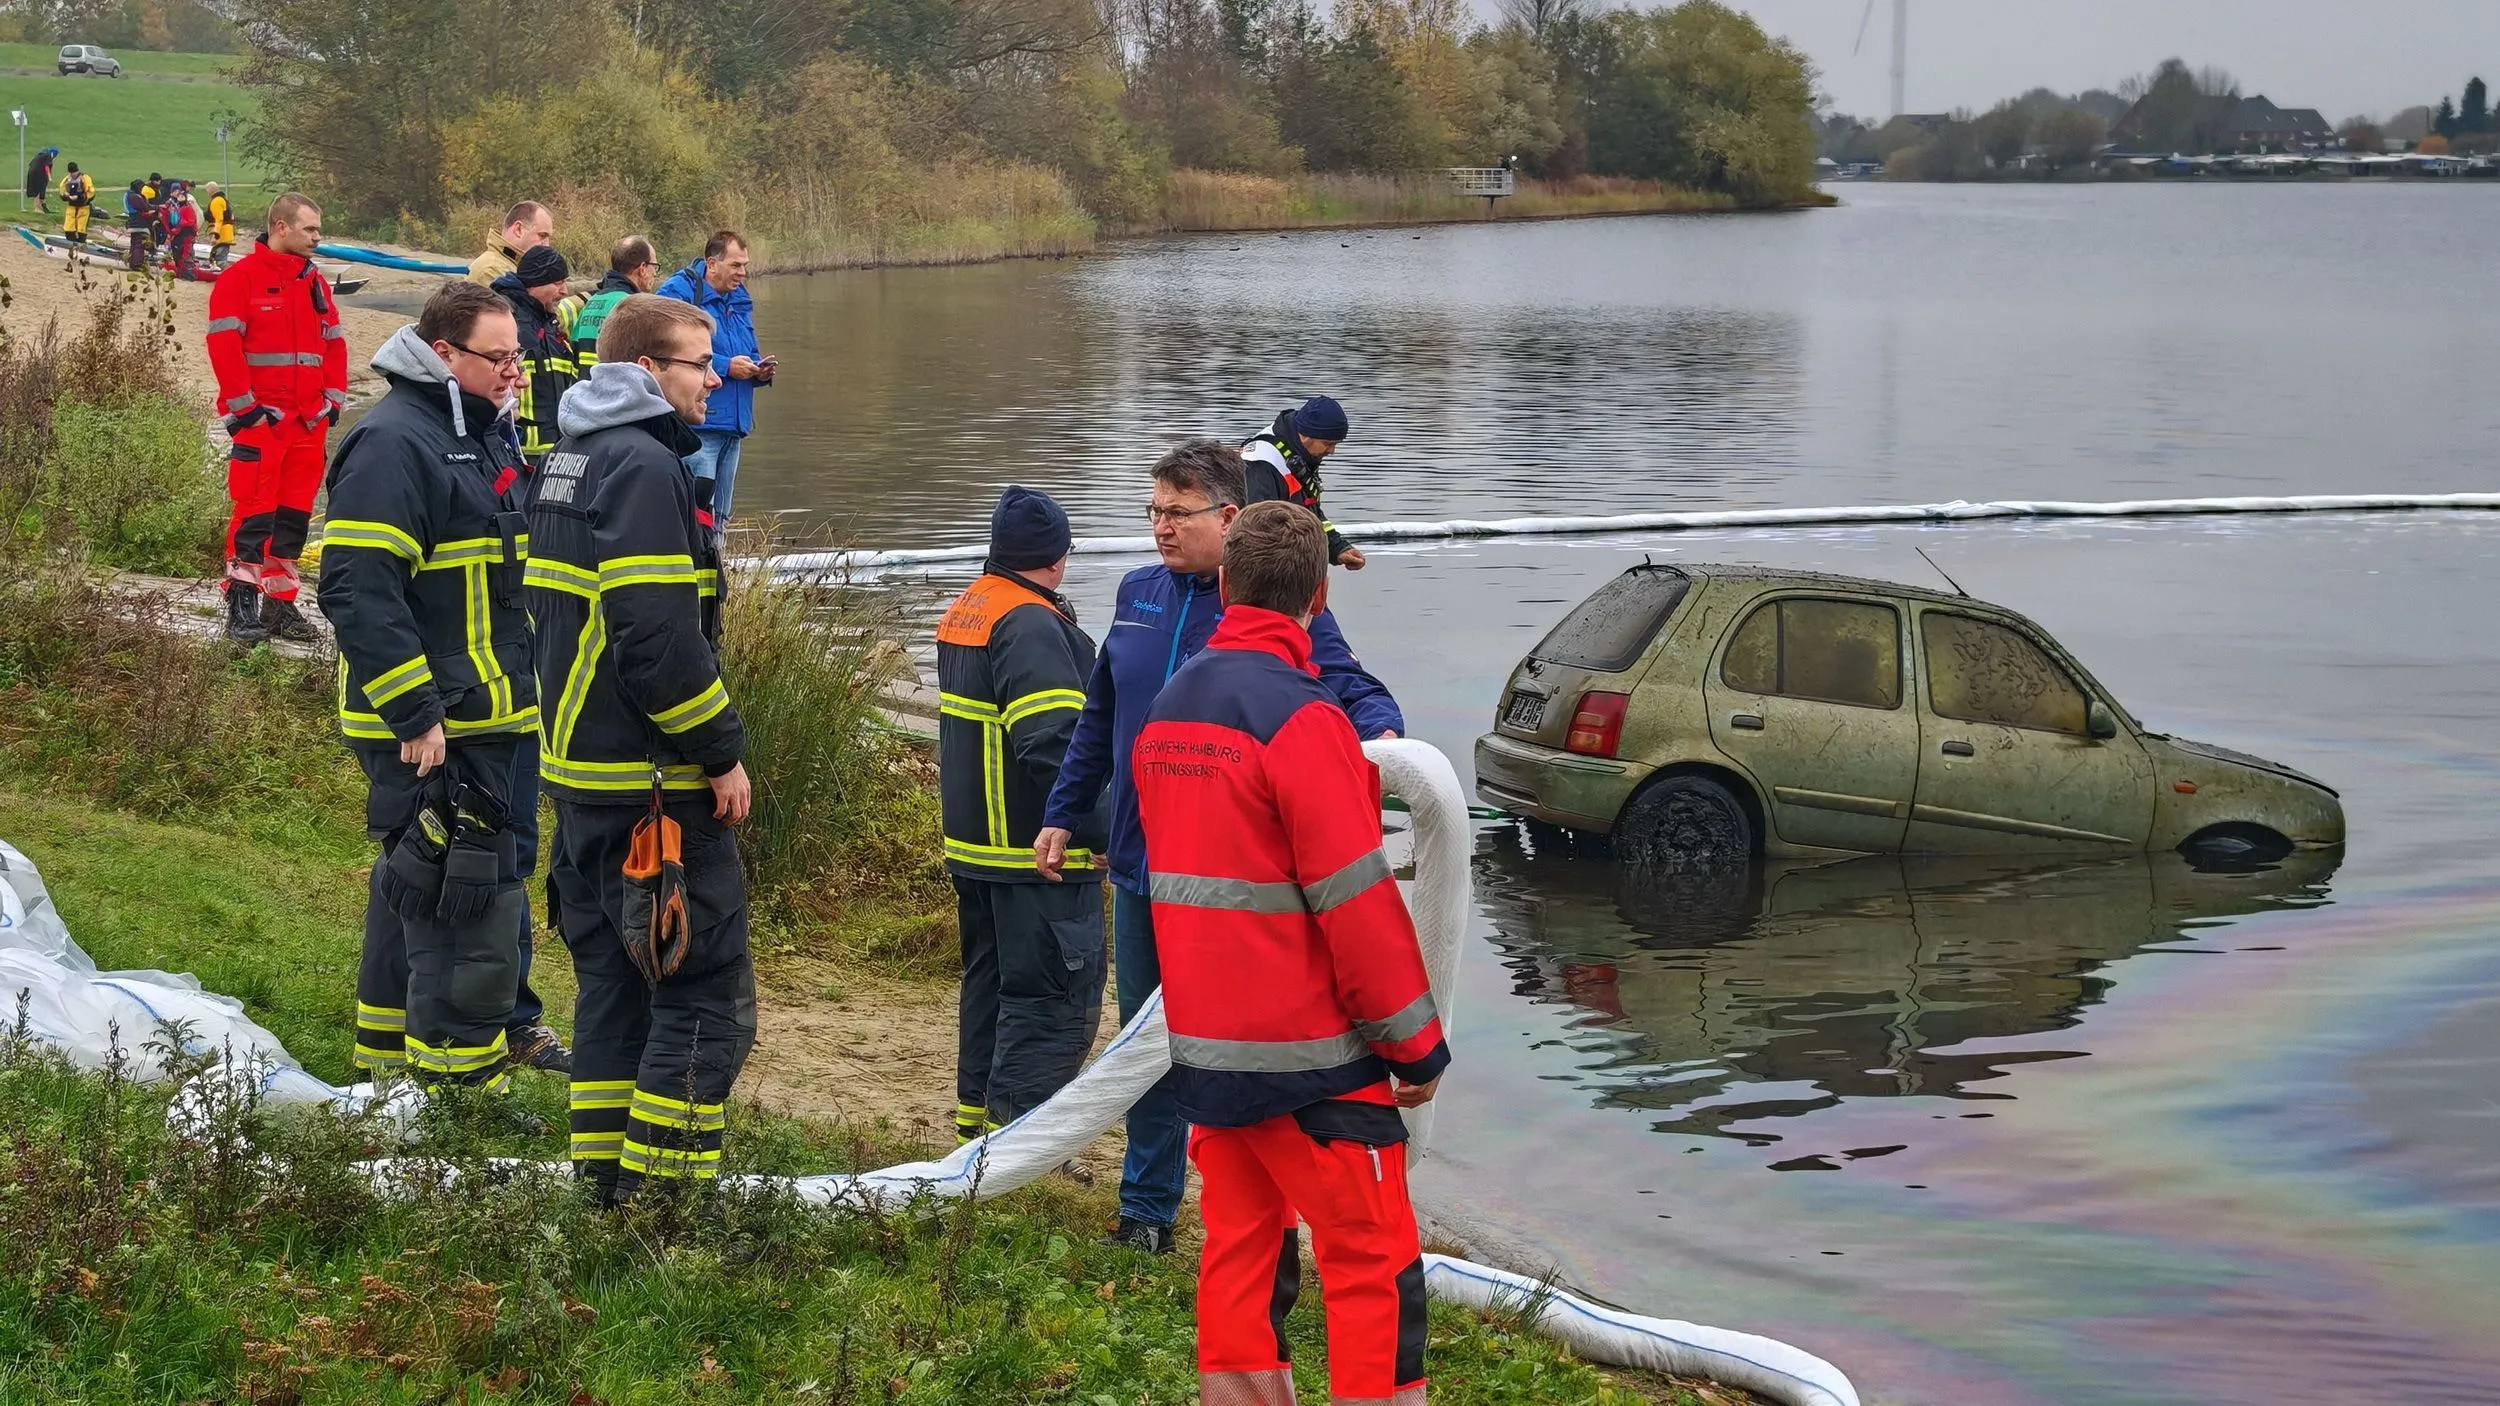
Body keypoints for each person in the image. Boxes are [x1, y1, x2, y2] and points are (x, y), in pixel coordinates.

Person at [1035, 439, 1403, 1254]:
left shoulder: (1269, 612)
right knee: (1144, 1043)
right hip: (1137, 868)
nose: (1160, 528)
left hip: (1225, 884)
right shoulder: (1136, 595)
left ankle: (1260, 1212)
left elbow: (1355, 691)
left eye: (1177, 513)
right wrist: (1064, 810)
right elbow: (1100, 717)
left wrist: (1380, 757)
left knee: (1228, 1046)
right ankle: (1147, 1213)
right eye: (1153, 512)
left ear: (1229, 519)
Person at [1134, 500, 1448, 1406]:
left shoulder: (1171, 708)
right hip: (1315, 1063)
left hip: (1208, 1049)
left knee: (1242, 1247)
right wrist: (1416, 1046)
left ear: (1225, 583)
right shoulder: (1308, 723)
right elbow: (1358, 908)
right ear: (1317, 598)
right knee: (1373, 1265)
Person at [526, 293, 754, 1205]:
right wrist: (722, 750)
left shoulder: (566, 460)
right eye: (701, 365)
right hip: (652, 787)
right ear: (649, 373)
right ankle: (663, 1209)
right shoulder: (645, 469)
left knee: (614, 995)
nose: (715, 380)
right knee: (702, 998)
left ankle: (600, 1186)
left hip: (579, 782)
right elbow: (658, 640)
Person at [318, 281, 537, 1096]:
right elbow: (356, 588)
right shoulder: (393, 443)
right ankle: (457, 1090)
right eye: (499, 356)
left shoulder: (481, 432)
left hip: (487, 709)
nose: (515, 370)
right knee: (460, 891)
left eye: (519, 354)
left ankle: (386, 1061)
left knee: (413, 883)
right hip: (434, 719)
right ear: (442, 353)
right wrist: (414, 711)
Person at [938, 486, 1105, 1144]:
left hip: (978, 849)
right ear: (1058, 559)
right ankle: (1022, 1156)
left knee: (991, 994)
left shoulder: (972, 606)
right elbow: (1054, 742)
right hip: (1035, 857)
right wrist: (1103, 828)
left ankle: (976, 1140)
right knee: (1049, 1009)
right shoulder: (1031, 624)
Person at [205, 192, 347, 645]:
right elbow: (223, 348)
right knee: (253, 516)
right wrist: (246, 410)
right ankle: (241, 605)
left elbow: (335, 344)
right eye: (310, 229)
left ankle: (280, 606)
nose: (317, 238)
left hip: (308, 424)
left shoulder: (314, 283)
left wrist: (333, 402)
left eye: (318, 230)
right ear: (281, 227)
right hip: (263, 423)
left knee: (294, 519)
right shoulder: (239, 279)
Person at [657, 230, 771, 528]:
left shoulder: (740, 300)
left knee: (720, 518)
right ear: (711, 263)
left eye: (745, 265)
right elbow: (662, 350)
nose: (742, 273)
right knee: (694, 517)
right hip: (699, 427)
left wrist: (759, 371)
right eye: (735, 265)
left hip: (734, 426)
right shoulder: (678, 294)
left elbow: (748, 351)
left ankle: (716, 570)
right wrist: (725, 366)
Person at [1242, 395, 1363, 570]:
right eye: (1328, 443)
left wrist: (1338, 549)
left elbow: (1309, 512)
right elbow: (1257, 535)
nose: (1332, 451)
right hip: (1268, 574)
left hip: (1294, 570)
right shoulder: (1261, 462)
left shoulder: (1298, 453)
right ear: (1306, 435)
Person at [491, 244, 581, 465]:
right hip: (517, 451)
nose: (564, 290)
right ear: (536, 283)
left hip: (556, 449)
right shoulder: (507, 320)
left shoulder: (548, 321)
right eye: (558, 283)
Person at [560, 234, 659, 369]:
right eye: (654, 266)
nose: (655, 273)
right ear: (642, 268)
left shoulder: (591, 303)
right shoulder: (635, 307)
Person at [466, 200, 552, 287]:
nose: (547, 245)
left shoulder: (513, 265)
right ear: (518, 229)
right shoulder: (491, 270)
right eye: (542, 235)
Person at [166, 186, 200, 281]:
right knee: (179, 253)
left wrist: (180, 223)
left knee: (186, 253)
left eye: (182, 197)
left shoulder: (187, 208)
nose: (180, 198)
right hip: (180, 233)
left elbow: (191, 221)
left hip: (187, 233)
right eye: (179, 196)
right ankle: (181, 271)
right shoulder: (178, 207)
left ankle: (190, 273)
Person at [201, 181, 236, 267]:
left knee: (220, 260)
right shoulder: (223, 199)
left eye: (207, 190)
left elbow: (219, 219)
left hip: (222, 235)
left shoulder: (216, 201)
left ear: (210, 190)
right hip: (226, 233)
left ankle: (230, 275)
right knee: (216, 256)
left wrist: (215, 236)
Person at [58, 162, 93, 246]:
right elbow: (62, 192)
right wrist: (67, 197)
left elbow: (91, 193)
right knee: (69, 228)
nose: (72, 175)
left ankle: (81, 244)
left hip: (83, 207)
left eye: (73, 173)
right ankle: (71, 244)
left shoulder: (85, 178)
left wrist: (80, 197)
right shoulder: (66, 180)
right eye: (71, 173)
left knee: (81, 229)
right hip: (72, 207)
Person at [121, 180, 150, 271]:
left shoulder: (128, 195)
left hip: (132, 221)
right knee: (139, 244)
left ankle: (133, 262)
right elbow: (144, 207)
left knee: (134, 244)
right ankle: (137, 264)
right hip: (138, 222)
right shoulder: (134, 197)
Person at [25, 146, 55, 214]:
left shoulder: (40, 155)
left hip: (32, 172)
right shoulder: (48, 155)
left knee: (38, 189)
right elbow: (46, 167)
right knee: (38, 190)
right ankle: (36, 208)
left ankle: (41, 207)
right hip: (38, 173)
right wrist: (49, 177)